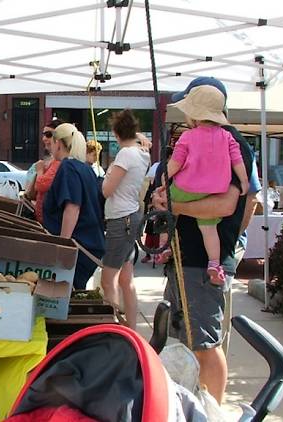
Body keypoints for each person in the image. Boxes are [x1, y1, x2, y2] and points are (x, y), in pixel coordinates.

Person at [152, 76, 255, 404]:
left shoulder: (231, 143)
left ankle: (211, 410)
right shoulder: (201, 139)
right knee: (183, 340)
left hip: (202, 263)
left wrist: (174, 204)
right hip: (186, 259)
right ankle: (190, 406)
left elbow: (229, 204)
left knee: (205, 345)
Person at [160, 85, 248, 285]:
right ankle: (214, 264)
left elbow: (174, 164)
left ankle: (165, 245)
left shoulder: (187, 137)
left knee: (165, 208)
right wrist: (243, 181)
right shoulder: (228, 138)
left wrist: (165, 182)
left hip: (184, 188)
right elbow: (238, 162)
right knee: (209, 230)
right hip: (212, 191)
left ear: (194, 115)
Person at [99, 110, 150, 330]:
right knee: (126, 280)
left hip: (120, 219)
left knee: (108, 279)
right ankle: (131, 329)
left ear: (116, 134)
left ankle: (114, 330)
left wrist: (107, 175)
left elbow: (107, 190)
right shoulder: (142, 154)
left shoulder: (125, 155)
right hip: (132, 216)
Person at [42, 123, 105, 290]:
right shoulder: (86, 169)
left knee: (67, 296)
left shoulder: (68, 167)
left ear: (58, 143)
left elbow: (72, 207)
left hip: (80, 247)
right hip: (90, 244)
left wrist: (63, 246)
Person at [28, 119, 64, 223]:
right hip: (45, 219)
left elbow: (41, 185)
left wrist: (39, 170)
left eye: (48, 135)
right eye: (43, 134)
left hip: (51, 221)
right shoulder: (51, 161)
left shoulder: (59, 162)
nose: (44, 138)